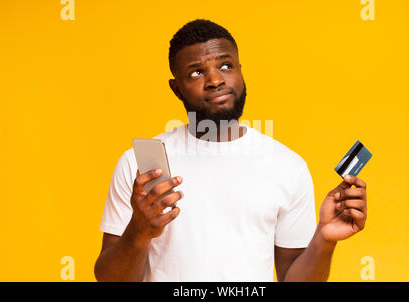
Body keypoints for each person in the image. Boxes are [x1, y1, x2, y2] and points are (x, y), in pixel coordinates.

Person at [94, 19, 367, 282]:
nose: (215, 80)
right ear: (176, 88)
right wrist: (139, 232)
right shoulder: (138, 166)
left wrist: (325, 239)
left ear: (240, 70)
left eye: (226, 66)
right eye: (197, 72)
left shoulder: (288, 167)